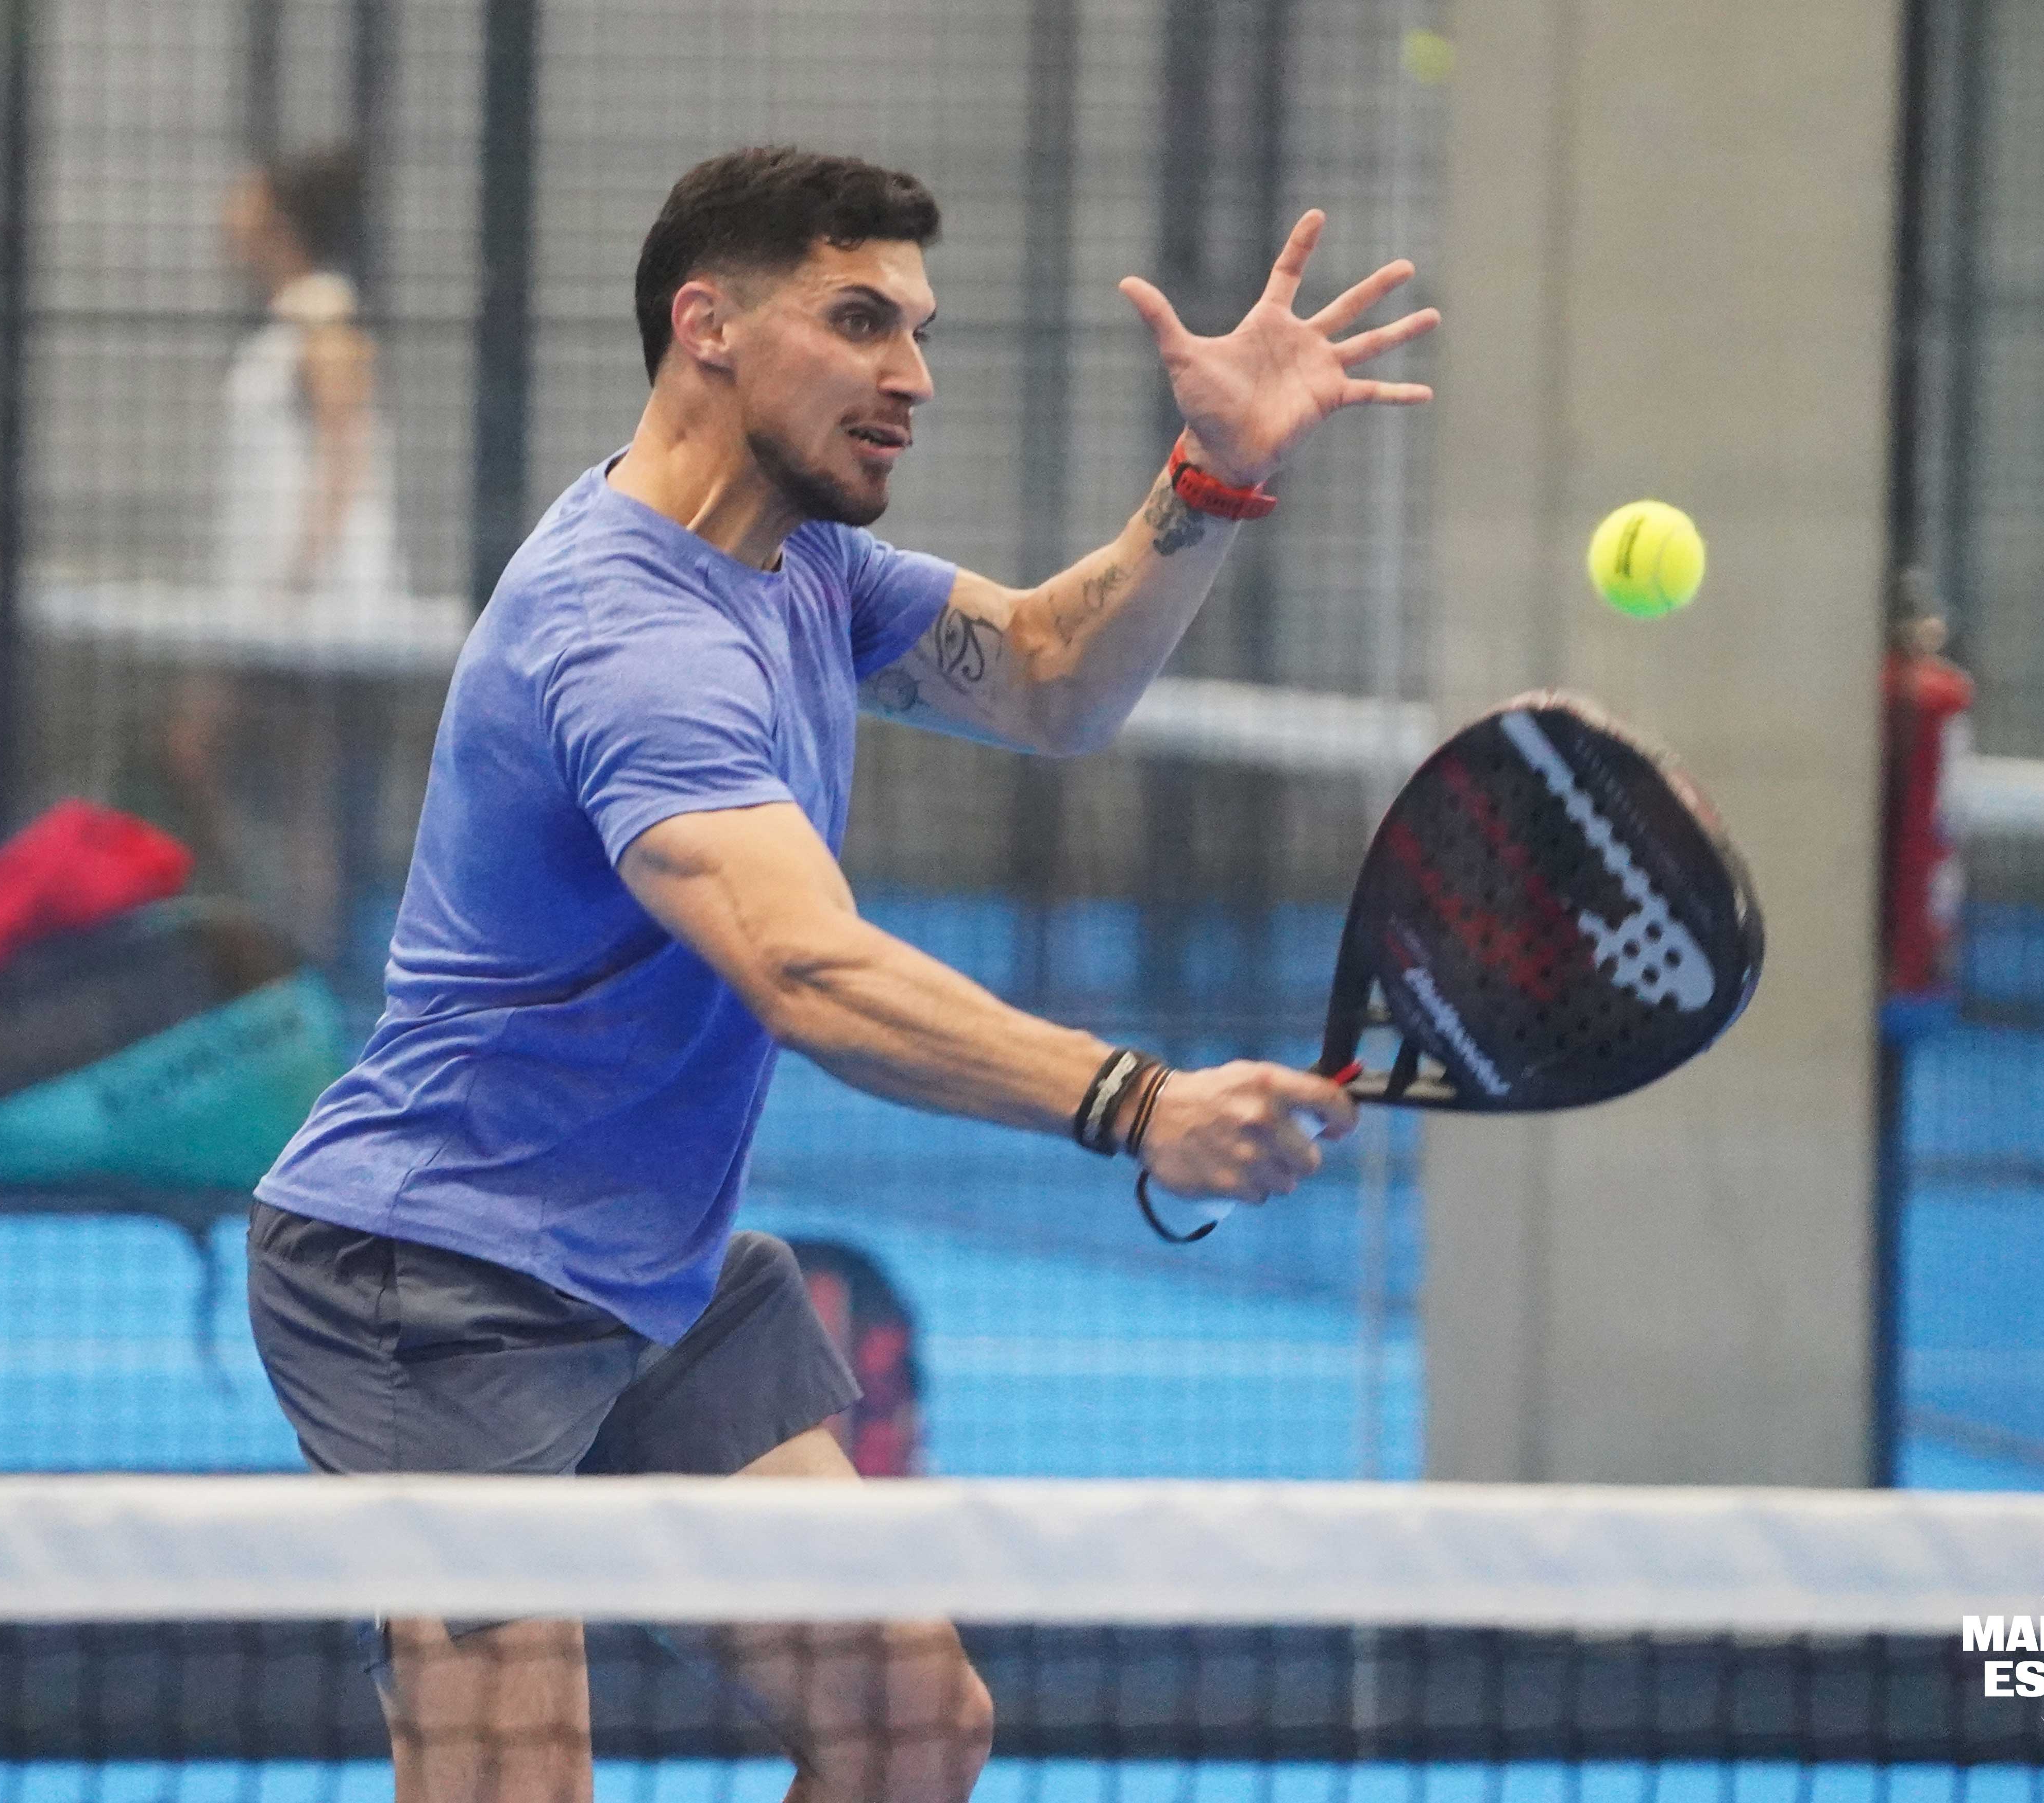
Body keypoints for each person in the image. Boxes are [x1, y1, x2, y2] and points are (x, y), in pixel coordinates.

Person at [244, 146, 1438, 1803]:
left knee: (909, 1729)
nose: (915, 376)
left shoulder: (798, 566)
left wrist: (1215, 472)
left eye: (919, 331)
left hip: (650, 1264)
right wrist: (1138, 1100)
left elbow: (1048, 673)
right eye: (863, 321)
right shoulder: (630, 638)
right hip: (439, 1275)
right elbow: (807, 968)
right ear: (708, 326)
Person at [163, 142, 400, 955]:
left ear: (279, 218)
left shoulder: (323, 319)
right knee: (272, 775)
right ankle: (269, 936)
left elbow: (347, 455)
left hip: (310, 605)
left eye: (247, 197)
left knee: (227, 756)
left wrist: (298, 576)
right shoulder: (291, 318)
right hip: (268, 601)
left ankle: (289, 947)